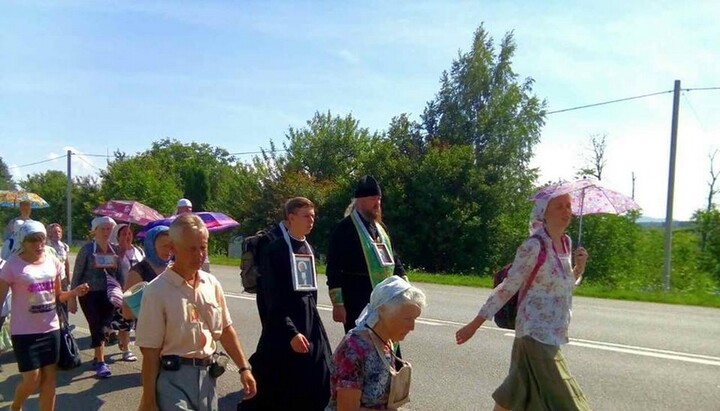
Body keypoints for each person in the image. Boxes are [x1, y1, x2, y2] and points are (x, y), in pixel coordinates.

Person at [455, 192, 591, 411]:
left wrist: (579, 269)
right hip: (534, 333)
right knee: (566, 401)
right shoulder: (533, 246)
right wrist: (474, 324)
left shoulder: (566, 243)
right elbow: (507, 287)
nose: (566, 211)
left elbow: (562, 286)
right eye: (559, 206)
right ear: (544, 212)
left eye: (568, 206)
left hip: (554, 332)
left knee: (514, 393)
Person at [135, 213, 256, 411]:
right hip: (172, 382)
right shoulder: (157, 291)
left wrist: (244, 368)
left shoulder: (211, 283)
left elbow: (226, 330)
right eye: (191, 249)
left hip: (208, 380)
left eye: (203, 247)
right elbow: (150, 352)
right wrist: (148, 400)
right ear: (173, 248)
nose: (199, 255)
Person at [242, 197, 332, 411]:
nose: (311, 220)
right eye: (306, 216)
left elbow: (310, 292)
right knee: (278, 384)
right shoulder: (276, 250)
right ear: (291, 218)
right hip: (285, 324)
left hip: (309, 322)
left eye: (313, 216)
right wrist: (290, 332)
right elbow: (273, 298)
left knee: (320, 375)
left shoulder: (307, 247)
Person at [0, 220, 90, 411]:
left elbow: (58, 296)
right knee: (32, 379)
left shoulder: (52, 261)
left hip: (51, 328)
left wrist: (74, 293)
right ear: (23, 241)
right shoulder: (12, 265)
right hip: (24, 332)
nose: (38, 244)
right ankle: (16, 406)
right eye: (32, 240)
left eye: (41, 239)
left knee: (49, 378)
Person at [325, 276, 425, 411]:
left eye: (415, 319)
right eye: (407, 318)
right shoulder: (354, 348)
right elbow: (347, 408)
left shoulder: (385, 342)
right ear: (383, 310)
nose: (412, 327)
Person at [326, 175, 407, 333]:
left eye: (379, 199)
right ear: (359, 201)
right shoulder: (344, 228)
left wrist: (404, 283)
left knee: (387, 342)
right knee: (361, 344)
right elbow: (334, 267)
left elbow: (393, 258)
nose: (377, 203)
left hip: (385, 300)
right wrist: (338, 304)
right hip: (357, 299)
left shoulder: (380, 228)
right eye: (372, 199)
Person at [71, 216, 120, 378]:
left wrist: (122, 294)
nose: (106, 232)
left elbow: (119, 273)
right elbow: (77, 274)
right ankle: (100, 362)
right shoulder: (87, 249)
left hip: (109, 293)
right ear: (95, 231)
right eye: (103, 229)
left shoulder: (115, 249)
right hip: (88, 294)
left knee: (104, 326)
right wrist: (72, 298)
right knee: (96, 325)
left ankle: (97, 356)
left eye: (109, 229)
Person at [109, 223, 145, 362]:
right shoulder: (114, 252)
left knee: (139, 322)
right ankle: (126, 349)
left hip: (139, 292)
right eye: (124, 234)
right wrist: (121, 253)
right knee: (125, 322)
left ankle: (124, 342)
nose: (127, 236)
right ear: (117, 237)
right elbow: (111, 271)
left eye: (129, 233)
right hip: (123, 292)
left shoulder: (139, 251)